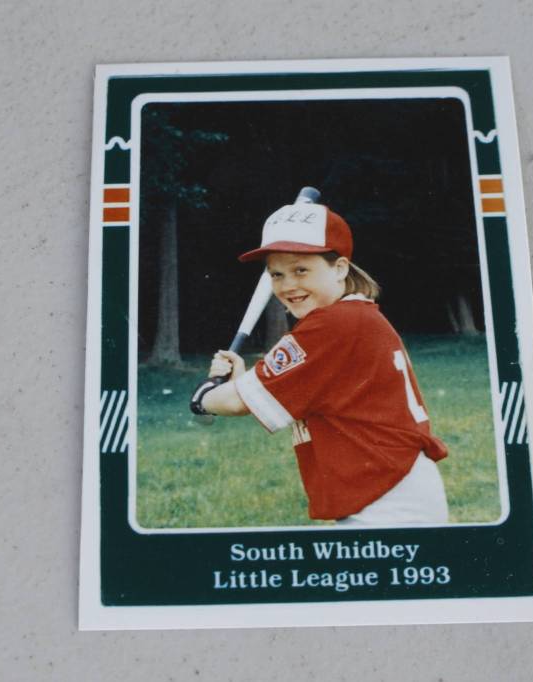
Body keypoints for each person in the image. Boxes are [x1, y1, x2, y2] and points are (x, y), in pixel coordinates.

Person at [191, 197, 449, 525]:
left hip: (388, 499)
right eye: (277, 274)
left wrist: (202, 397)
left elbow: (237, 402)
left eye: (301, 269)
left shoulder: (333, 325)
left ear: (340, 268)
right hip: (394, 485)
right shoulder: (355, 317)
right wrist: (241, 382)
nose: (288, 285)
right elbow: (266, 388)